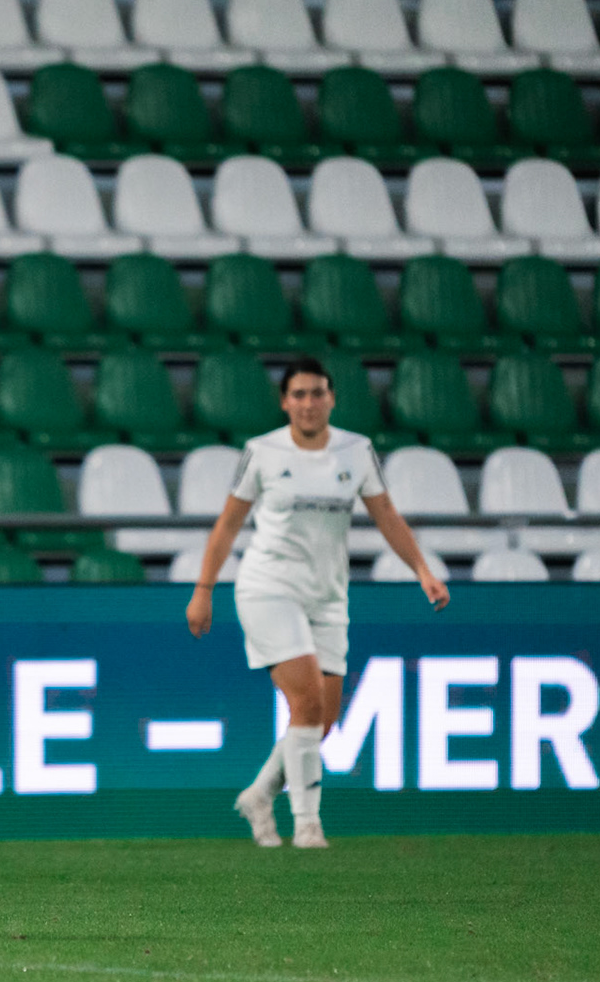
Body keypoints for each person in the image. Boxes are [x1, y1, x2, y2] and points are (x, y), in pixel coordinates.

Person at [187, 357, 449, 849]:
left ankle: (261, 794)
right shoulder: (262, 451)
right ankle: (308, 825)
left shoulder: (357, 450)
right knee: (305, 701)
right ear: (285, 402)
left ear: (331, 398)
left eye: (317, 393)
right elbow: (227, 525)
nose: (309, 403)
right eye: (299, 395)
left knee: (322, 719)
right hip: (268, 587)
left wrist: (422, 571)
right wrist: (204, 591)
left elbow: (387, 514)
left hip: (328, 594)